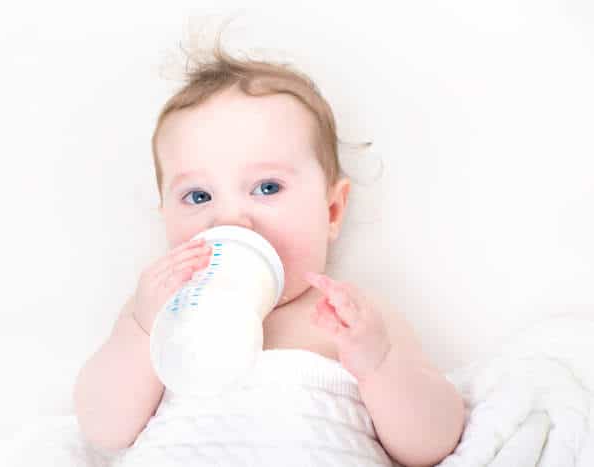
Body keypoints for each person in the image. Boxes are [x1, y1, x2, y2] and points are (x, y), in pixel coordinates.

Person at [73, 24, 465, 467]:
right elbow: (102, 428)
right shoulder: (160, 313)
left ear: (332, 211)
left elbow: (435, 442)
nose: (230, 219)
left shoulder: (352, 318)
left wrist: (379, 365)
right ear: (166, 218)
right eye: (198, 196)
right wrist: (143, 330)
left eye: (266, 187)